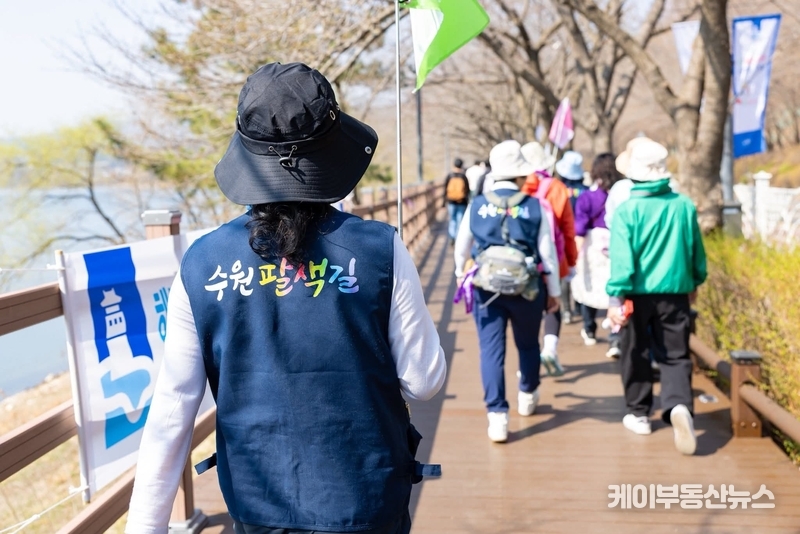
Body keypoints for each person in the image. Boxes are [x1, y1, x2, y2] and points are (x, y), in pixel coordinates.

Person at [125, 62, 447, 534]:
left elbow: (173, 407)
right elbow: (423, 381)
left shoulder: (201, 263)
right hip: (366, 498)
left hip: (258, 503)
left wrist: (144, 526)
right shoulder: (380, 248)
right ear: (331, 151)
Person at [454, 140, 560, 443]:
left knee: (491, 351)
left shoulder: (477, 205)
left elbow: (461, 247)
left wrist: (461, 274)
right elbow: (548, 254)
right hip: (527, 288)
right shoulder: (535, 206)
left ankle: (497, 416)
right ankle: (527, 393)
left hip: (486, 289)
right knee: (528, 345)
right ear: (521, 174)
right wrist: (553, 291)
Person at [606, 138, 707, 456]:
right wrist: (695, 281)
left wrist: (615, 298)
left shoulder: (626, 211)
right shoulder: (683, 205)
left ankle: (639, 413)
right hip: (676, 293)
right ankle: (679, 405)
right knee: (676, 354)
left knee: (635, 350)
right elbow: (696, 253)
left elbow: (622, 262)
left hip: (635, 294)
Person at [520, 142, 577, 375]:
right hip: (555, 256)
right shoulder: (557, 188)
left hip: (523, 259)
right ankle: (550, 349)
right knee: (553, 304)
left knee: (526, 310)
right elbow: (568, 229)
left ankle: (527, 362)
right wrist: (571, 260)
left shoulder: (519, 187)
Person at [571, 153, 622, 357]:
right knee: (615, 291)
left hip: (592, 248)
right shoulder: (621, 194)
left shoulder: (587, 197)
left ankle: (589, 328)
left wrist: (575, 255)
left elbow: (580, 229)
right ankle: (615, 337)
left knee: (588, 288)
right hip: (617, 245)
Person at [554, 150, 588, 324]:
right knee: (581, 271)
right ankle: (580, 306)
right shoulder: (586, 191)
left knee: (565, 272)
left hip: (564, 236)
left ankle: (566, 310)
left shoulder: (559, 190)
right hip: (584, 236)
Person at [443, 158, 470, 244]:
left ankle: (452, 236)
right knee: (460, 220)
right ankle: (458, 237)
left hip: (451, 201)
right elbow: (467, 190)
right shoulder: (463, 176)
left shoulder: (450, 175)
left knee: (452, 219)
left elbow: (445, 189)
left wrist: (444, 202)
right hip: (462, 201)